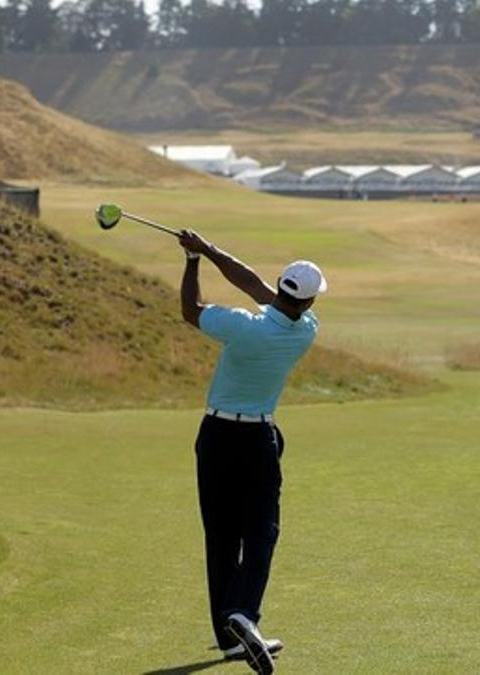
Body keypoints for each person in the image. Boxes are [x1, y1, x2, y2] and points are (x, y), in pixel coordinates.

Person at [177, 229, 327, 675]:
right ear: (309, 302)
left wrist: (193, 260)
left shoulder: (243, 327)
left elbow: (191, 311)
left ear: (281, 287)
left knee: (221, 535)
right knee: (261, 531)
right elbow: (252, 285)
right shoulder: (305, 331)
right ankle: (244, 614)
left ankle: (230, 634)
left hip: (215, 434)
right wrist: (209, 250)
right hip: (257, 439)